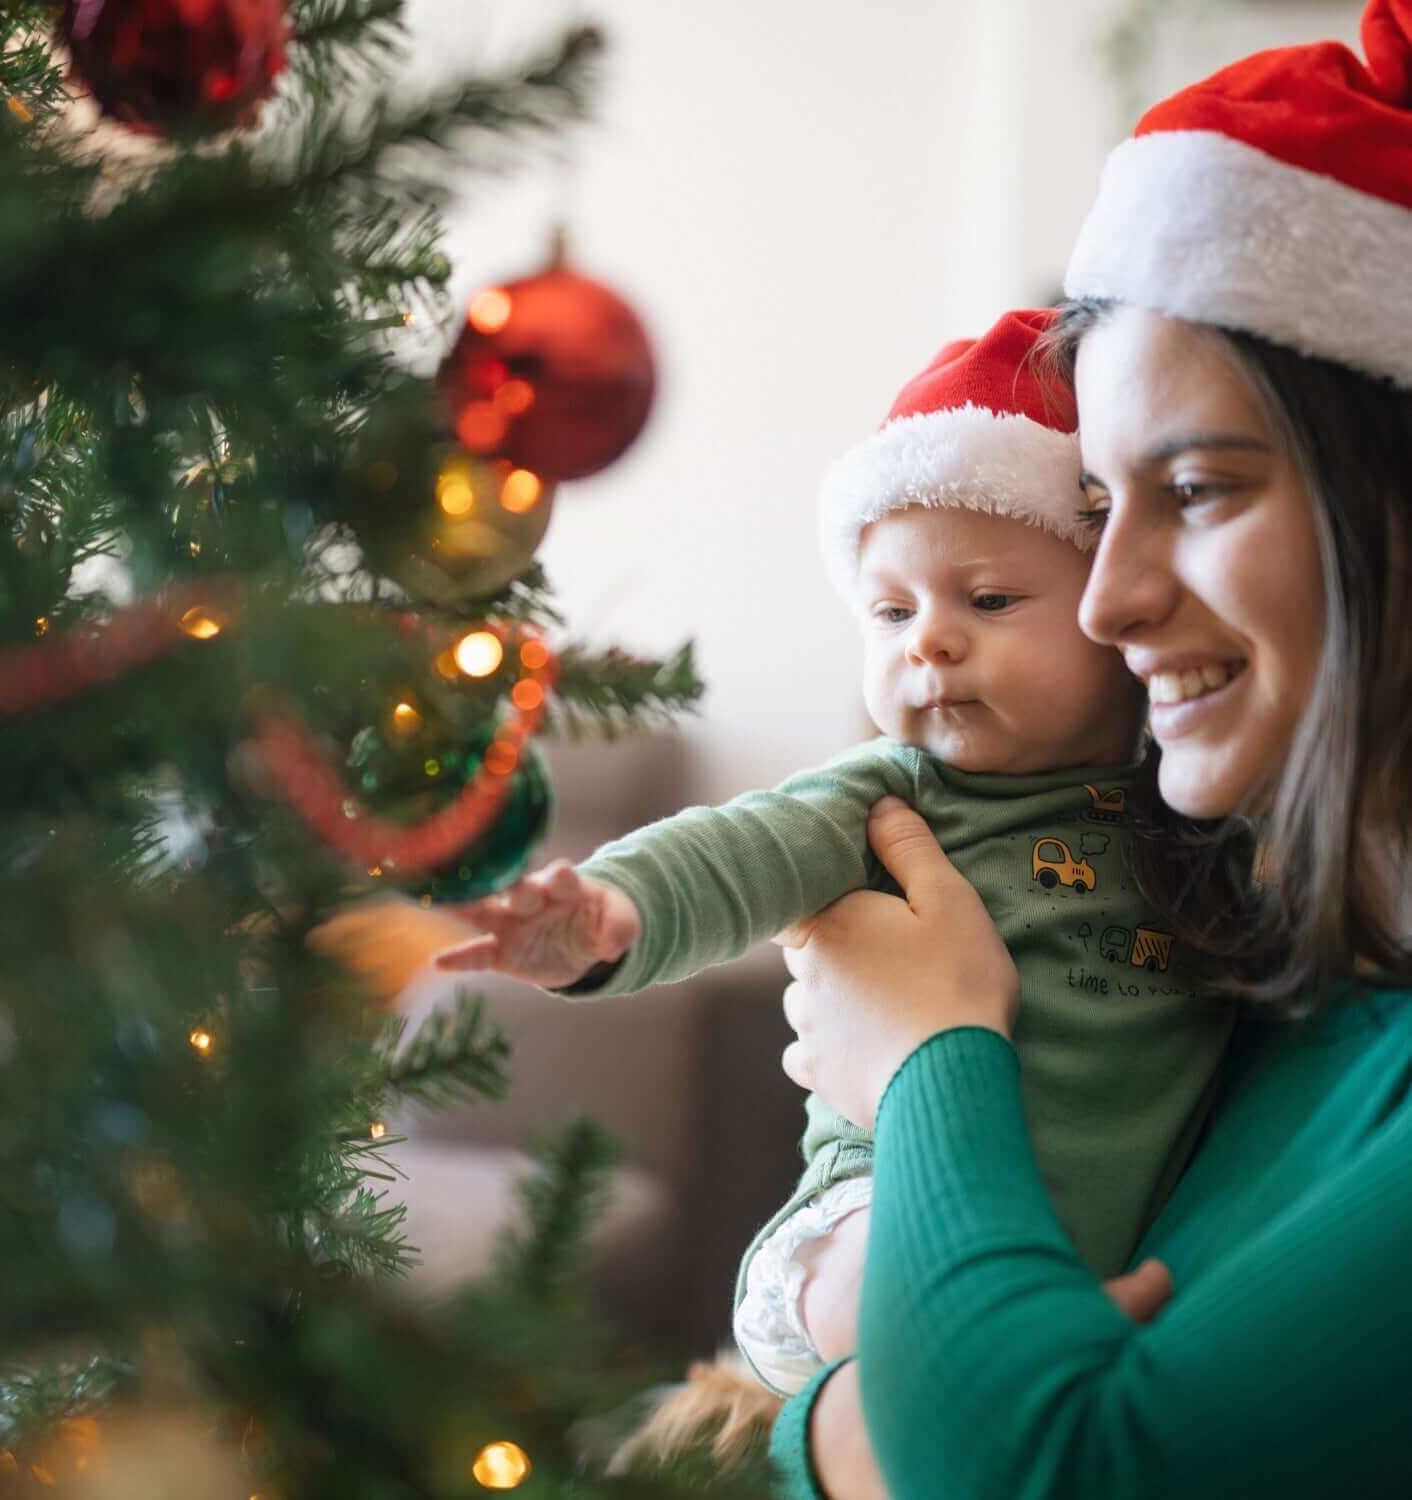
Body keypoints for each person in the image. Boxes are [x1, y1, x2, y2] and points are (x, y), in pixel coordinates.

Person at [769, 3, 1412, 1495]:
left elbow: (1025, 1467)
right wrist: (851, 1391)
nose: (1113, 605)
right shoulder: (1248, 967)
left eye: (1197, 489)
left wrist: (933, 1051)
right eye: (1103, 510)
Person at [435, 309, 1236, 1398]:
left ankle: (1009, 1358)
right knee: (870, 1272)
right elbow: (732, 853)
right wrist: (610, 913)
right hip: (881, 1205)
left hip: (1124, 1241)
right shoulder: (890, 795)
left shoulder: (1191, 809)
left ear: (1113, 611)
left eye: (989, 600)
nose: (929, 642)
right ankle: (966, 1347)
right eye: (891, 610)